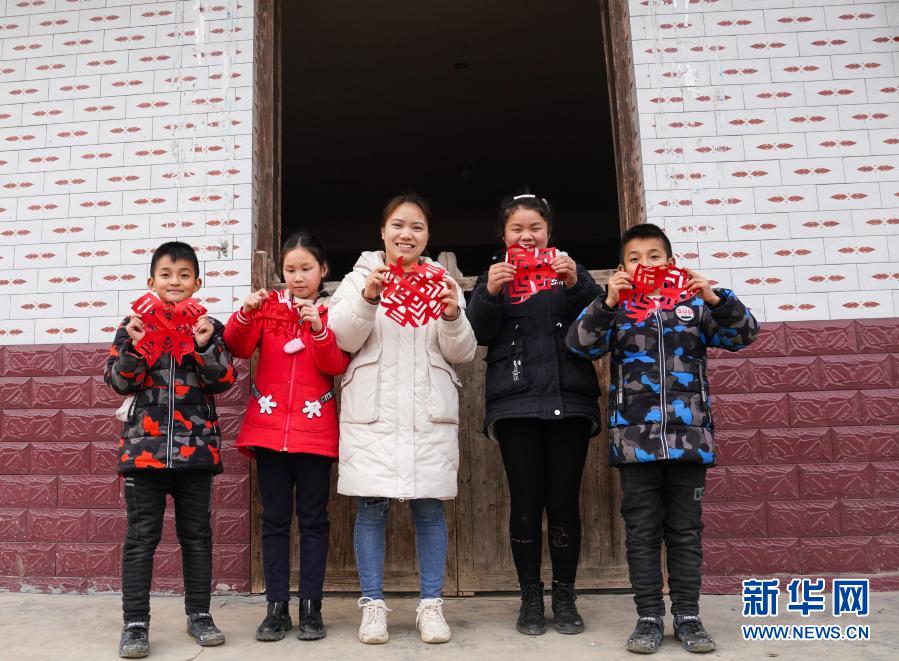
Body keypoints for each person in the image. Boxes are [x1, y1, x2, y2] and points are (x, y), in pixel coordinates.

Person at [566, 223, 759, 654]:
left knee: (686, 532)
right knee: (642, 534)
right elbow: (578, 345)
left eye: (653, 256)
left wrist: (717, 297)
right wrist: (606, 301)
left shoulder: (694, 304)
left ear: (670, 262)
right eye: (634, 259)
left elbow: (744, 334)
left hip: (690, 441)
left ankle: (688, 616)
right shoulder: (619, 309)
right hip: (635, 443)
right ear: (622, 268)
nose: (645, 264)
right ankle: (649, 617)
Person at [328, 193, 477, 645]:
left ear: (427, 236)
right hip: (374, 413)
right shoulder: (358, 278)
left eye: (416, 227)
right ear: (382, 232)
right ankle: (372, 606)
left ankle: (430, 605)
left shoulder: (441, 281)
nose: (406, 234)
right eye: (397, 225)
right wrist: (369, 298)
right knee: (371, 508)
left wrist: (452, 314)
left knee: (429, 509)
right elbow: (341, 338)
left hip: (425, 414)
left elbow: (463, 352)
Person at [466, 192, 602, 635]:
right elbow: (476, 333)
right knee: (525, 503)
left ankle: (564, 594)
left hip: (570, 402)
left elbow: (600, 324)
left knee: (563, 502)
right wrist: (489, 292)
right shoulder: (494, 274)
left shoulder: (569, 270)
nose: (527, 236)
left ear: (549, 231)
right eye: (517, 229)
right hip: (516, 404)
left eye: (535, 228)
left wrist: (576, 283)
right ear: (503, 234)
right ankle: (529, 595)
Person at [104, 241, 236, 659]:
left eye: (184, 275)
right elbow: (118, 382)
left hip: (196, 453)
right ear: (151, 282)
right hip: (143, 453)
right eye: (166, 274)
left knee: (196, 536)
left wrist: (204, 346)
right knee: (140, 539)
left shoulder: (209, 326)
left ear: (198, 283)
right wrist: (134, 347)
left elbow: (222, 381)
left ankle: (200, 615)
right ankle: (135, 624)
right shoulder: (132, 325)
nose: (174, 282)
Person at [224, 232, 349, 642]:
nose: (298, 277)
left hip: (314, 434)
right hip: (269, 432)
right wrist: (245, 313)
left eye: (306, 268)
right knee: (275, 520)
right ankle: (276, 608)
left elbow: (335, 364)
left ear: (323, 270)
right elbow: (238, 347)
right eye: (290, 269)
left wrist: (318, 329)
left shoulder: (334, 312)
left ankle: (311, 609)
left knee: (313, 520)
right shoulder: (268, 310)